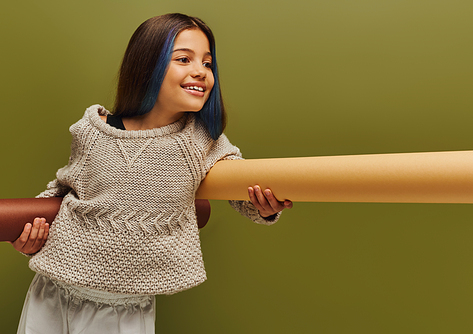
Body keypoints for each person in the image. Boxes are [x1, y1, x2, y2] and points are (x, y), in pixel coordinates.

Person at [11, 13, 292, 334]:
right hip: (53, 291)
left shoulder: (201, 141)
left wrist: (263, 208)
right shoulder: (93, 131)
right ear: (147, 65)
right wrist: (28, 235)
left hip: (124, 310)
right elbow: (61, 191)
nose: (200, 71)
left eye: (208, 63)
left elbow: (241, 191)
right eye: (184, 59)